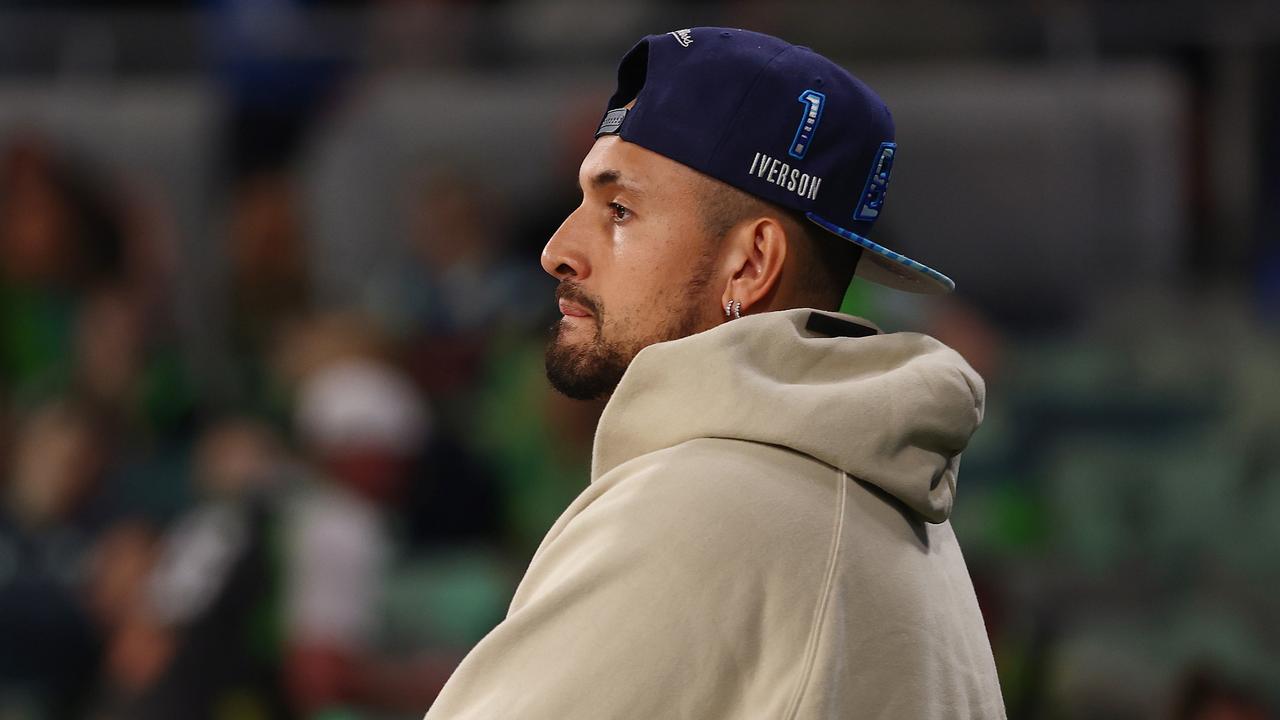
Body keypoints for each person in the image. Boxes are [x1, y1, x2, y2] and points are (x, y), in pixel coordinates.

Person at [424, 27, 1005, 719]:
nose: (557, 250)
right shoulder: (903, 519)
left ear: (752, 263)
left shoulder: (699, 508)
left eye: (619, 210)